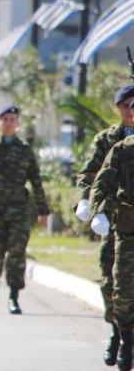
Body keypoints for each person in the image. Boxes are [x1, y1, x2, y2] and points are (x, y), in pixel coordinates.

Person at [75, 84, 134, 366]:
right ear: (119, 108)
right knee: (112, 282)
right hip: (112, 219)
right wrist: (86, 204)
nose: (131, 111)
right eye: (127, 106)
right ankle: (117, 332)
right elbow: (89, 176)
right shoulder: (108, 140)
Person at [0, 105, 48, 315]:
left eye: (12, 119)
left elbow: (35, 180)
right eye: (5, 119)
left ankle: (13, 297)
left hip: (19, 209)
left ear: (17, 124)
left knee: (17, 254)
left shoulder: (25, 150)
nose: (8, 122)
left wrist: (43, 210)